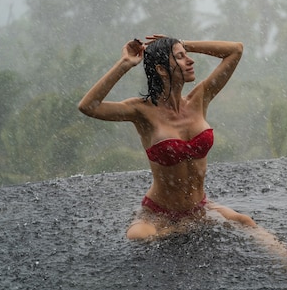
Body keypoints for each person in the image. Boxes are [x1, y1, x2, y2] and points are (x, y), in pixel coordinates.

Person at [78, 35, 256, 240]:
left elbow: (236, 49)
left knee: (245, 221)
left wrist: (182, 43)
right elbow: (88, 106)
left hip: (200, 207)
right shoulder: (141, 111)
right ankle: (180, 228)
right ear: (162, 70)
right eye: (180, 57)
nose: (191, 60)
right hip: (158, 214)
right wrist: (125, 63)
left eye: (187, 55)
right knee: (139, 237)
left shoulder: (199, 98)